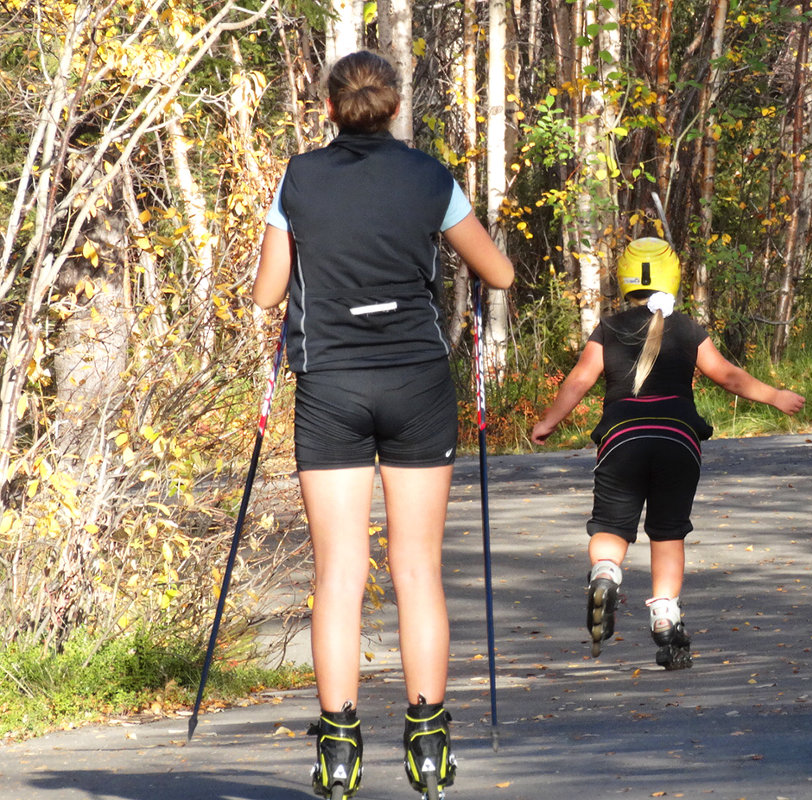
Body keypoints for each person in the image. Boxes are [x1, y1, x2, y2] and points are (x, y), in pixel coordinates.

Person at [252, 51, 514, 800]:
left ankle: (338, 749)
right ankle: (428, 744)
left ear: (329, 110)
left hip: (331, 383)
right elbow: (498, 273)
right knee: (416, 568)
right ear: (396, 107)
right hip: (416, 384)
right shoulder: (430, 177)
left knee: (338, 572)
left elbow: (270, 294)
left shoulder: (299, 179)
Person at [531, 237, 805, 669]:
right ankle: (663, 614)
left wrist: (548, 422)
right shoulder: (688, 328)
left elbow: (579, 381)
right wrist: (775, 396)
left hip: (622, 439)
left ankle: (604, 573)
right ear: (673, 275)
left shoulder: (609, 327)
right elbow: (729, 377)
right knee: (668, 531)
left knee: (611, 524)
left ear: (624, 278)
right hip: (677, 440)